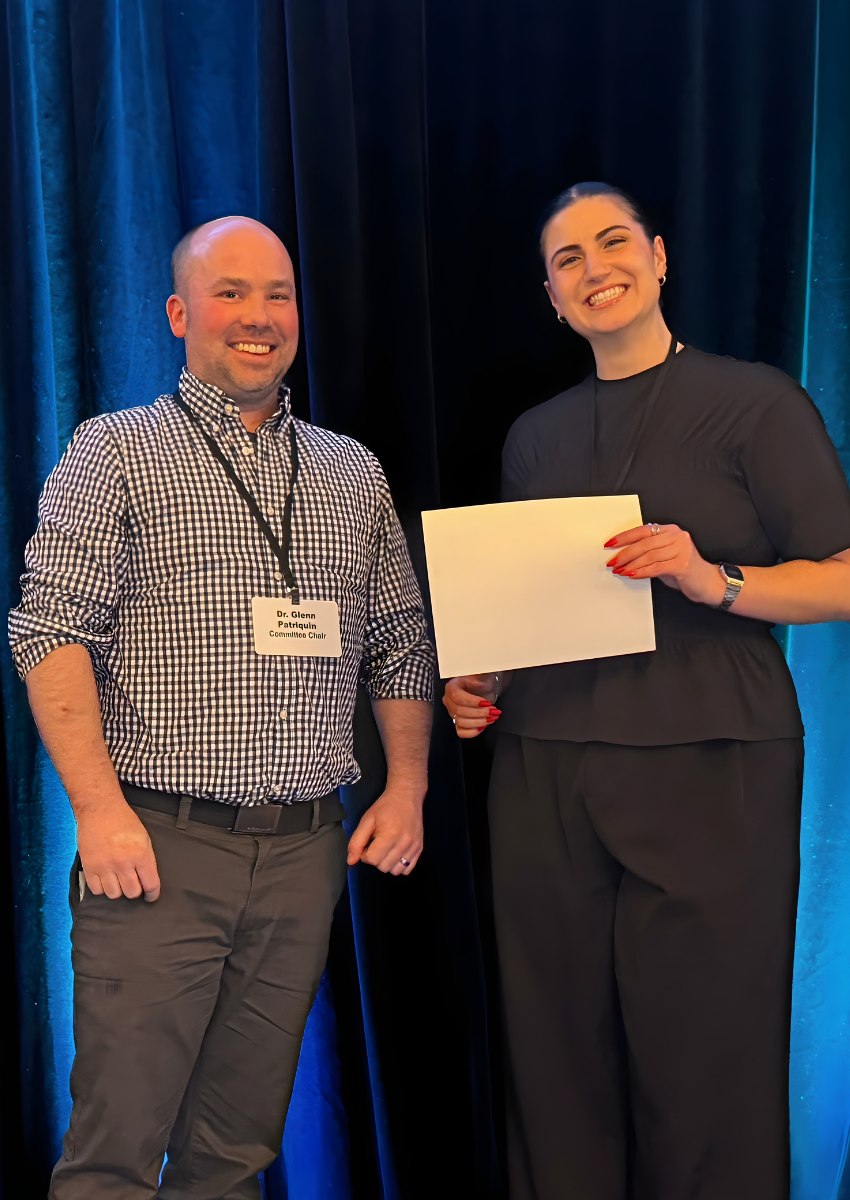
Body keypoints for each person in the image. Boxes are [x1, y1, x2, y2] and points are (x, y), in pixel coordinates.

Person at [9, 216, 435, 1199]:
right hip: (158, 849)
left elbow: (400, 643)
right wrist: (100, 810)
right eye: (230, 292)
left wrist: (406, 785)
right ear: (178, 313)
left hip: (301, 855)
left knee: (235, 1155)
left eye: (276, 295)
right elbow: (50, 632)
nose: (257, 316)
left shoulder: (350, 471)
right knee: (114, 1154)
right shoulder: (113, 451)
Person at [443, 182, 850, 1200]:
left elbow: (841, 575)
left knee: (705, 1053)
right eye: (567, 259)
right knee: (555, 1055)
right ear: (549, 295)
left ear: (659, 257)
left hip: (713, 762)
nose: (594, 269)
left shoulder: (757, 402)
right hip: (544, 769)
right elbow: (526, 609)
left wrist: (711, 577)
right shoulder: (533, 436)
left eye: (612, 242)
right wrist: (479, 682)